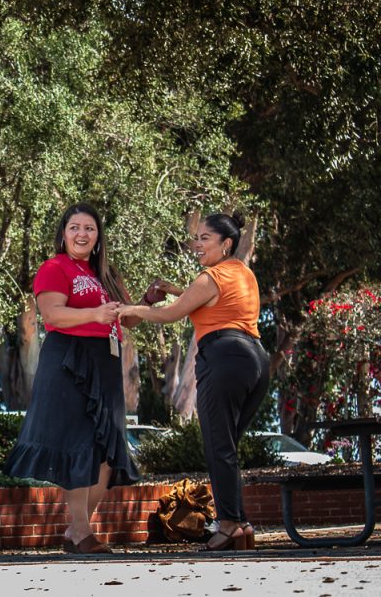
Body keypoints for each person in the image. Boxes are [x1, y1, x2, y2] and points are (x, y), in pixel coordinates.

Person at [118, 213, 268, 552]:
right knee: (224, 445)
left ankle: (229, 523)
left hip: (225, 356)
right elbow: (205, 301)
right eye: (196, 237)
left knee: (218, 444)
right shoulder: (242, 273)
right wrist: (173, 289)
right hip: (256, 359)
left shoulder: (210, 276)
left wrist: (131, 309)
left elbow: (171, 314)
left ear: (226, 243)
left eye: (205, 239)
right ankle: (240, 524)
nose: (196, 244)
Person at [4, 203, 140, 554]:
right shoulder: (54, 267)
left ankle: (77, 528)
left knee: (108, 451)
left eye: (89, 229)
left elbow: (125, 319)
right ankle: (81, 531)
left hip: (106, 362)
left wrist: (145, 303)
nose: (82, 234)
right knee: (77, 445)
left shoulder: (105, 273)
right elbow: (52, 315)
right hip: (69, 359)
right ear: (63, 233)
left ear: (98, 236)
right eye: (75, 227)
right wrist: (95, 313)